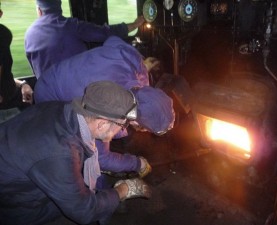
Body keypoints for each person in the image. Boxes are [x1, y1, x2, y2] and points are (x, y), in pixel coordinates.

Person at [0, 81, 152, 225]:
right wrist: (123, 190)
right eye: (122, 124)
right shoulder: (60, 153)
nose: (124, 129)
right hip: (12, 202)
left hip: (18, 165)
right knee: (72, 207)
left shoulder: (65, 109)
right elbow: (84, 211)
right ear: (101, 124)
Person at [34, 35, 175, 189]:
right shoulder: (107, 106)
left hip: (58, 72)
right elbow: (102, 158)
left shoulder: (134, 62)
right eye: (143, 127)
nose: (141, 130)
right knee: (89, 151)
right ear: (133, 119)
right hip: (50, 97)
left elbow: (112, 40)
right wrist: (138, 163)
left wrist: (143, 71)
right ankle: (99, 194)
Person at [25, 0, 145, 79]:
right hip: (74, 93)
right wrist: (134, 25)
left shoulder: (29, 34)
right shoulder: (70, 25)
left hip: (46, 96)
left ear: (39, 10)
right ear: (59, 8)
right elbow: (104, 32)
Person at [0, 2, 33, 123]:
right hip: (6, 110)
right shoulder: (2, 35)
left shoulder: (3, 34)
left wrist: (23, 84)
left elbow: (5, 75)